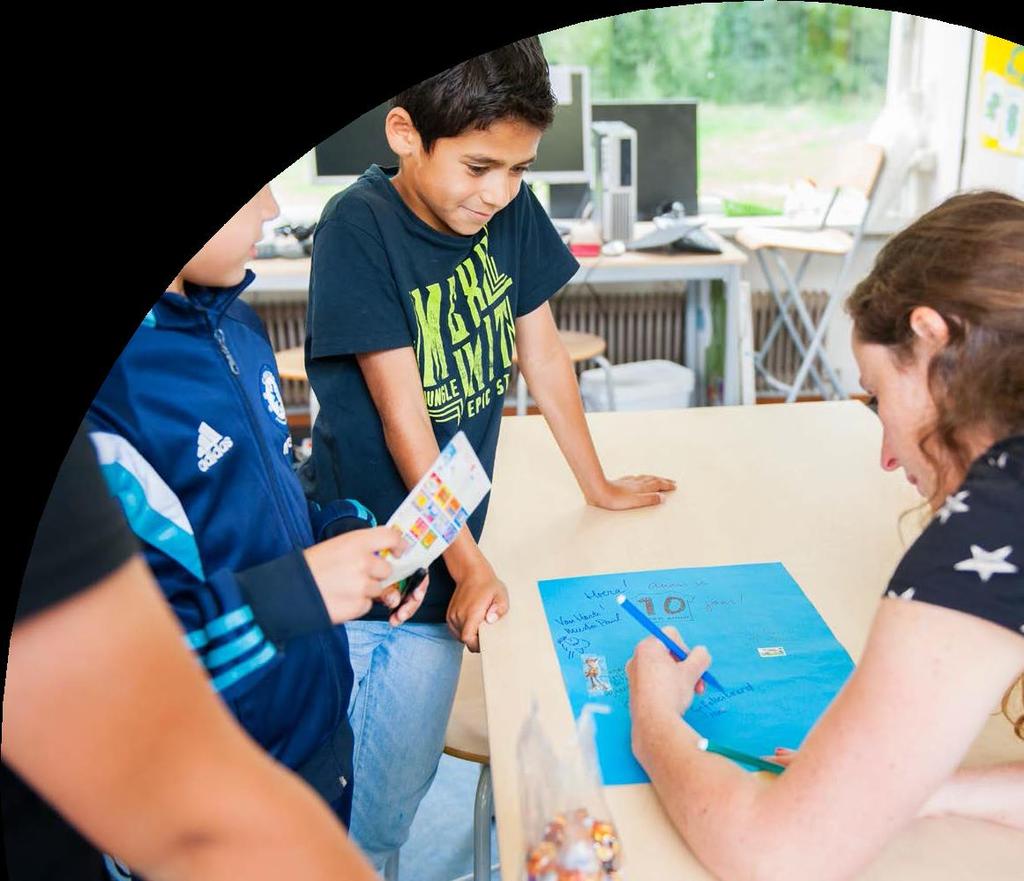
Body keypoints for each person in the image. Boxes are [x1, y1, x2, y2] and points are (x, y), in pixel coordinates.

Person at [300, 37, 677, 868]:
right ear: (404, 133)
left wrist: (599, 483)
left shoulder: (506, 208)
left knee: (396, 790)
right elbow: (406, 421)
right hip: (382, 567)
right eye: (479, 168)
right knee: (366, 809)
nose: (500, 191)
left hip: (451, 547)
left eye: (519, 169)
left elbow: (541, 354)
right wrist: (467, 563)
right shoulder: (359, 228)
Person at [626, 190, 1024, 881]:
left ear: (932, 337)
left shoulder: (992, 525)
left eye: (878, 396)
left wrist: (655, 722)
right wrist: (913, 784)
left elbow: (774, 856)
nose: (888, 456)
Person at [86, 183, 429, 859]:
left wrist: (337, 533)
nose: (271, 210)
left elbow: (273, 492)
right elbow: (118, 673)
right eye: (252, 192)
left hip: (318, 732)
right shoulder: (114, 398)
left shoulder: (237, 321)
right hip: (214, 791)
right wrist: (300, 590)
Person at [3, 423, 379, 881]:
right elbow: (107, 683)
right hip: (207, 803)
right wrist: (291, 592)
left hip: (320, 737)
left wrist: (328, 526)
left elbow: (265, 497)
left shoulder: (246, 346)